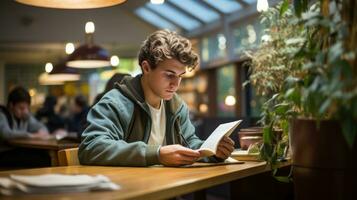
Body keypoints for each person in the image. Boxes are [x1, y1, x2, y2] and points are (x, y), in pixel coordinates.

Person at [79, 30, 235, 167]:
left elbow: (190, 143)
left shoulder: (176, 105)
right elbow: (91, 147)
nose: (175, 84)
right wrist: (157, 154)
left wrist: (214, 151)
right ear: (146, 68)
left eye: (180, 76)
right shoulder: (115, 103)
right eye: (169, 75)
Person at [0, 86, 51, 167]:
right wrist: (31, 135)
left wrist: (42, 131)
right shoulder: (2, 114)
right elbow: (6, 134)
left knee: (44, 155)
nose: (25, 111)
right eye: (21, 108)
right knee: (41, 160)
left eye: (27, 108)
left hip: (17, 150)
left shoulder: (25, 115)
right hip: (4, 153)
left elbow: (41, 127)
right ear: (11, 105)